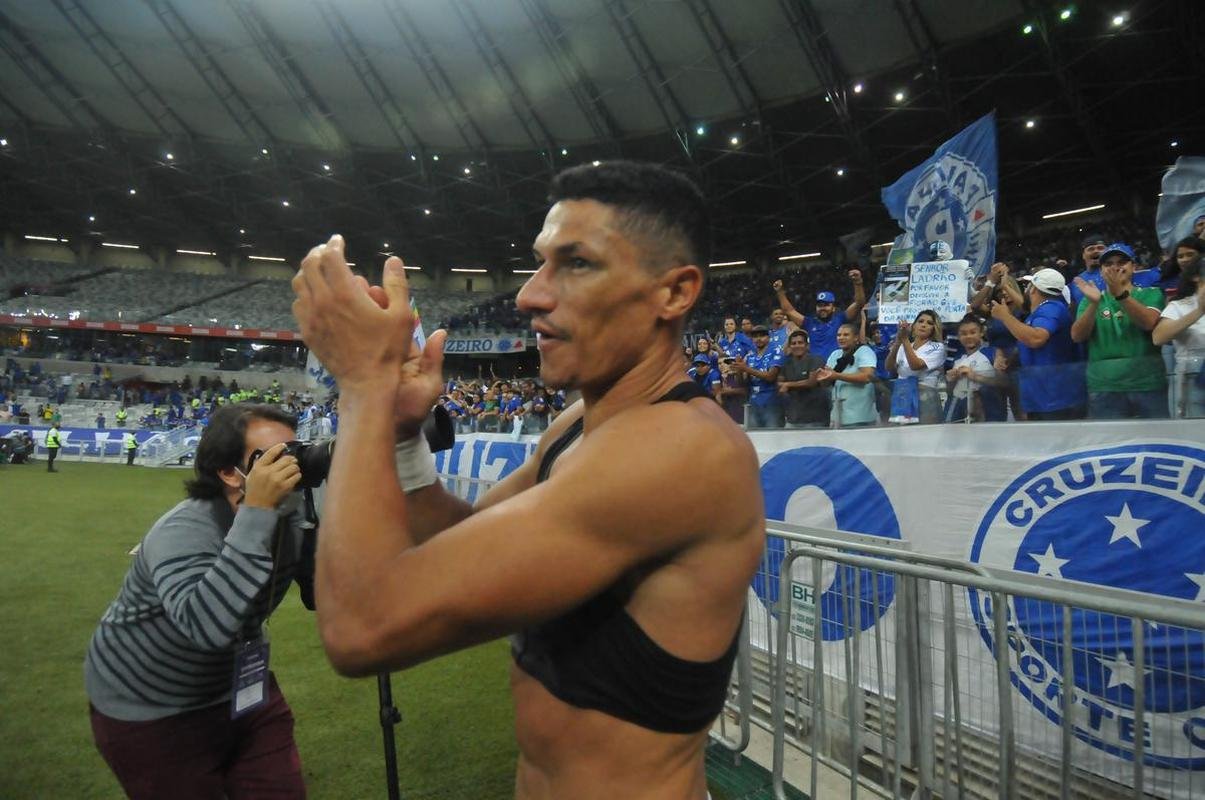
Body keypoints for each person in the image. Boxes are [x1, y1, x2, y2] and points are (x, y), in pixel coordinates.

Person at [290, 161, 764, 800]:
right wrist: (403, 436)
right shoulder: (580, 424)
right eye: (540, 263)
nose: (530, 295)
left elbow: (362, 628)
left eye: (577, 264)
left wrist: (363, 385)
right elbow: (458, 540)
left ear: (674, 293)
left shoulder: (683, 448)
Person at [84, 404, 310, 799]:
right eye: (271, 458)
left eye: (294, 452)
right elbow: (206, 627)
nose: (288, 467)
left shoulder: (291, 518)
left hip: (242, 693)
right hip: (151, 709)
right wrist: (257, 512)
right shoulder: (184, 531)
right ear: (228, 472)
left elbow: (330, 591)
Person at [1070, 242, 1167, 419]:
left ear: (1134, 267)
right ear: (1101, 271)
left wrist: (1120, 293)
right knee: (1110, 443)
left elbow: (1148, 323)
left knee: (1156, 442)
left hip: (1147, 384)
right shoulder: (1091, 300)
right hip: (1104, 386)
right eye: (1108, 264)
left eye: (1122, 262)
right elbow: (1077, 336)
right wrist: (1094, 304)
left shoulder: (1151, 294)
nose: (1115, 267)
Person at [991, 268, 1084, 420]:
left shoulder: (1050, 308)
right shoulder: (1048, 307)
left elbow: (1036, 338)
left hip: (1053, 396)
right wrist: (1006, 287)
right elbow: (1025, 307)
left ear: (1034, 289)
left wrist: (1005, 317)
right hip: (1047, 393)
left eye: (1028, 286)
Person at [773, 269, 867, 360]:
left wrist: (858, 282)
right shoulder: (809, 323)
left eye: (826, 305)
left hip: (837, 367)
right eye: (820, 305)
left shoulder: (840, 319)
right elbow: (789, 311)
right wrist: (780, 292)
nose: (822, 308)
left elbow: (859, 303)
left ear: (833, 308)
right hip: (815, 369)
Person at [1152, 262, 1205, 418]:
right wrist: (1199, 311)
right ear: (1197, 278)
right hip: (1193, 379)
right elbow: (1158, 337)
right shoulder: (1181, 305)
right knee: (1193, 437)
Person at [885, 309, 946, 424]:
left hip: (924, 397)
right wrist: (898, 342)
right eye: (920, 321)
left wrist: (905, 340)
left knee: (924, 435)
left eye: (929, 323)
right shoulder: (904, 346)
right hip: (902, 396)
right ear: (914, 325)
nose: (924, 325)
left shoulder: (937, 347)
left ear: (934, 329)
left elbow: (916, 365)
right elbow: (889, 367)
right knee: (902, 436)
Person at [815, 322, 878, 427]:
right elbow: (827, 383)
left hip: (860, 416)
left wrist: (837, 376)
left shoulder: (865, 351)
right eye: (839, 335)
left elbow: (867, 377)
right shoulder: (835, 354)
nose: (841, 338)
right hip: (838, 416)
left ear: (856, 337)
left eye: (846, 335)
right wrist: (821, 378)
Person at [945, 315, 1005, 422]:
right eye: (963, 334)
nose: (968, 336)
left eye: (973, 332)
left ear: (981, 333)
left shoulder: (993, 352)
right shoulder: (958, 359)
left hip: (988, 412)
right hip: (961, 413)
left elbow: (1003, 383)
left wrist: (974, 376)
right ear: (958, 336)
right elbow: (950, 392)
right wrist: (950, 381)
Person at [732, 324, 784, 428]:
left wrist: (746, 368)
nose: (758, 339)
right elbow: (742, 384)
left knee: (772, 438)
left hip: (771, 403)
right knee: (755, 439)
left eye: (762, 336)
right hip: (754, 404)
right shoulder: (750, 356)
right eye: (755, 337)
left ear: (768, 337)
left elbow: (770, 377)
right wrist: (738, 370)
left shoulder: (776, 351)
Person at [777, 329, 829, 428]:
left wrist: (788, 384)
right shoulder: (786, 364)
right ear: (790, 346)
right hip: (792, 418)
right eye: (793, 343)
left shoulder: (816, 360)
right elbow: (779, 383)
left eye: (800, 343)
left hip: (815, 418)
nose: (797, 345)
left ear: (807, 345)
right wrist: (783, 386)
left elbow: (811, 382)